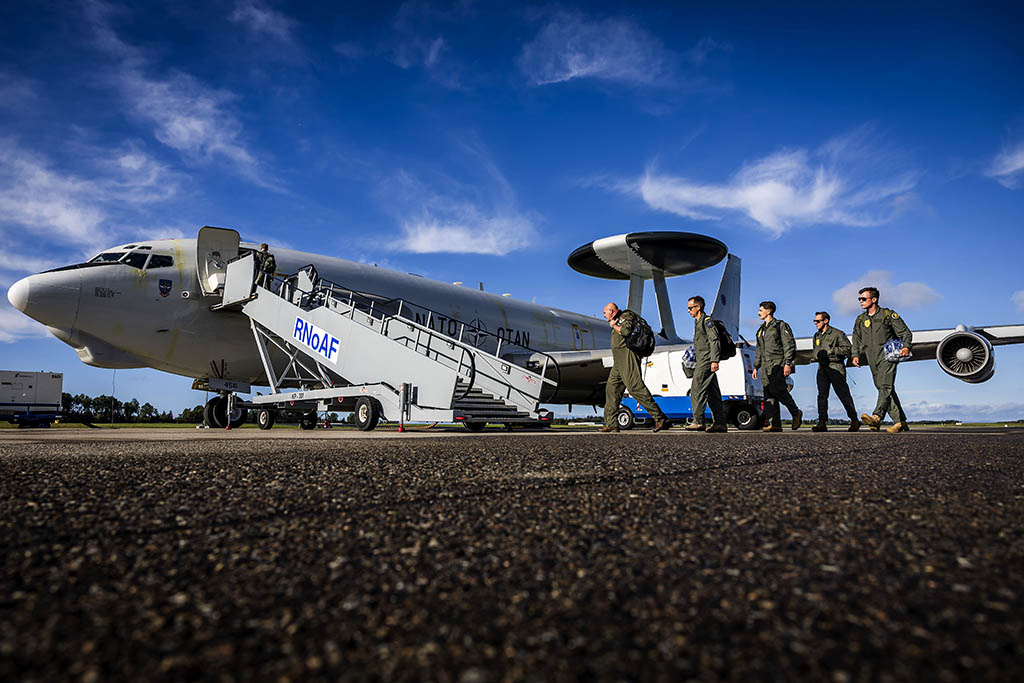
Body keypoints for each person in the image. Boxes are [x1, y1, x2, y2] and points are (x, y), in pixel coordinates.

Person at [601, 302, 669, 433]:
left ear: (612, 311)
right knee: (612, 388)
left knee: (635, 387)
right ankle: (611, 423)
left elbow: (626, 331)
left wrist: (614, 325)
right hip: (619, 361)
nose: (604, 315)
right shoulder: (618, 319)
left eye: (605, 312)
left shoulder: (625, 316)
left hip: (627, 357)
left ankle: (660, 418)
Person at [852, 286, 912, 433]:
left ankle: (877, 416)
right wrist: (855, 355)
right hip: (871, 356)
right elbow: (856, 339)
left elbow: (905, 333)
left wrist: (906, 347)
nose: (861, 301)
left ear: (874, 299)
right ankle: (900, 421)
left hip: (887, 355)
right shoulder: (860, 319)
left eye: (863, 299)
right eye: (859, 299)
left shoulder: (887, 315)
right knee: (883, 387)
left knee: (885, 385)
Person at [752, 301, 803, 432]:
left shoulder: (780, 325)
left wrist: (788, 363)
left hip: (778, 363)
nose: (759, 312)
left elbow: (789, 345)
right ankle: (774, 423)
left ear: (768, 311)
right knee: (768, 394)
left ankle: (795, 412)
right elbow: (759, 349)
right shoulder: (760, 330)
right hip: (765, 365)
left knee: (777, 390)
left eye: (761, 310)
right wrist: (756, 366)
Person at [810, 311, 860, 432]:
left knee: (843, 394)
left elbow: (847, 348)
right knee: (822, 395)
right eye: (814, 321)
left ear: (826, 321)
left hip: (836, 366)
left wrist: (831, 351)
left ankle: (854, 420)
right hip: (822, 368)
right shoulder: (816, 335)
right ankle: (822, 422)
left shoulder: (837, 334)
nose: (815, 323)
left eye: (818, 321)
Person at [684, 296, 728, 432]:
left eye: (690, 308)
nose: (688, 311)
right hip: (702, 359)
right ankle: (720, 423)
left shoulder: (707, 321)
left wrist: (714, 360)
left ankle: (698, 421)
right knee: (712, 393)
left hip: (706, 360)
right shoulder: (697, 322)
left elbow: (714, 340)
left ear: (698, 307)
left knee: (696, 389)